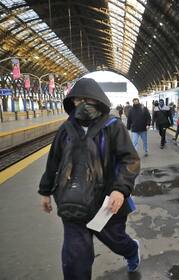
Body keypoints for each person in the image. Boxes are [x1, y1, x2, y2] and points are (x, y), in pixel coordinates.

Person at [38, 78, 141, 278]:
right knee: (75, 259)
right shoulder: (66, 130)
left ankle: (131, 250)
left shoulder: (113, 126)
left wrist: (120, 189)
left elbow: (130, 160)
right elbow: (54, 162)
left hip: (106, 203)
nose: (82, 104)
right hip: (72, 203)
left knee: (117, 241)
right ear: (71, 102)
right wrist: (45, 191)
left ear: (98, 100)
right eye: (77, 100)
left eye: (87, 99)